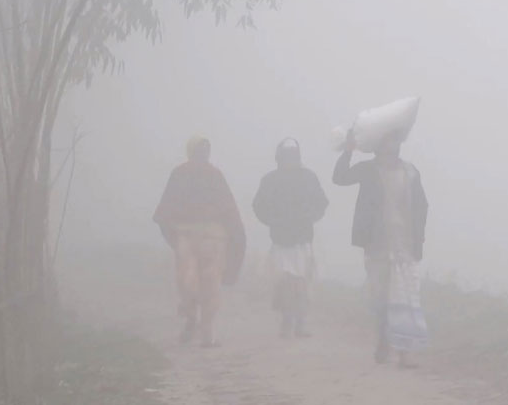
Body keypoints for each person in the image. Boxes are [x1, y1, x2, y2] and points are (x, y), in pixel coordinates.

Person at [333, 131, 428, 368]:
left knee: (406, 296)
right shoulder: (368, 170)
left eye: (395, 140)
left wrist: (419, 240)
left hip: (405, 245)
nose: (391, 145)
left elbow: (422, 206)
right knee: (381, 297)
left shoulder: (411, 172)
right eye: (387, 140)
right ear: (378, 145)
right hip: (377, 244)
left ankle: (406, 352)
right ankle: (384, 339)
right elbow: (340, 177)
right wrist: (348, 150)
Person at [154, 136, 246, 348]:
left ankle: (205, 331)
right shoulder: (183, 174)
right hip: (193, 236)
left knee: (204, 282)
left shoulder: (210, 175)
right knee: (193, 282)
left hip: (210, 238)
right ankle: (194, 321)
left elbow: (165, 212)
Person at [253, 138, 329, 339]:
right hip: (280, 240)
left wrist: (310, 216)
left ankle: (300, 323)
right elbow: (259, 206)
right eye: (286, 157)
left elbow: (321, 202)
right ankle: (287, 321)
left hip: (303, 240)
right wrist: (272, 220)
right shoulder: (270, 180)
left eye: (293, 156)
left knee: (301, 282)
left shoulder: (308, 178)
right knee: (285, 281)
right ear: (279, 158)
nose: (290, 160)